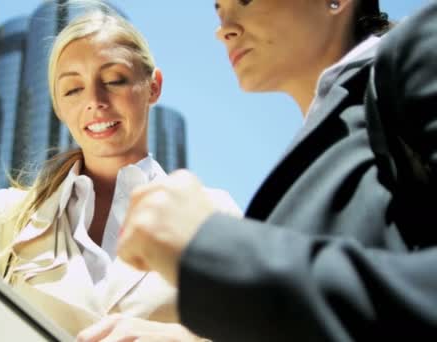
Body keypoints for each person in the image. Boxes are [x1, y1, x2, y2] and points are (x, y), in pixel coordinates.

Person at [79, 0, 437, 341]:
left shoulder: (421, 49)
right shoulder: (308, 157)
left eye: (245, 1)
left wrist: (211, 248)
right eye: (218, 10)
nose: (224, 29)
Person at [0, 8, 233, 341]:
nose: (94, 99)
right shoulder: (9, 216)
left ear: (153, 86)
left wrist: (168, 337)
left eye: (114, 79)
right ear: (59, 107)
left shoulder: (211, 213)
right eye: (73, 89)